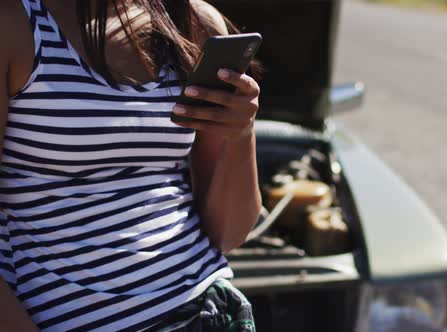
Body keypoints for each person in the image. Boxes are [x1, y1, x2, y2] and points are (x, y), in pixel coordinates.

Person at [0, 0, 262, 331]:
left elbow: (227, 235)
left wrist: (241, 134)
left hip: (206, 311)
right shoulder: (13, 24)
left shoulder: (191, 22)